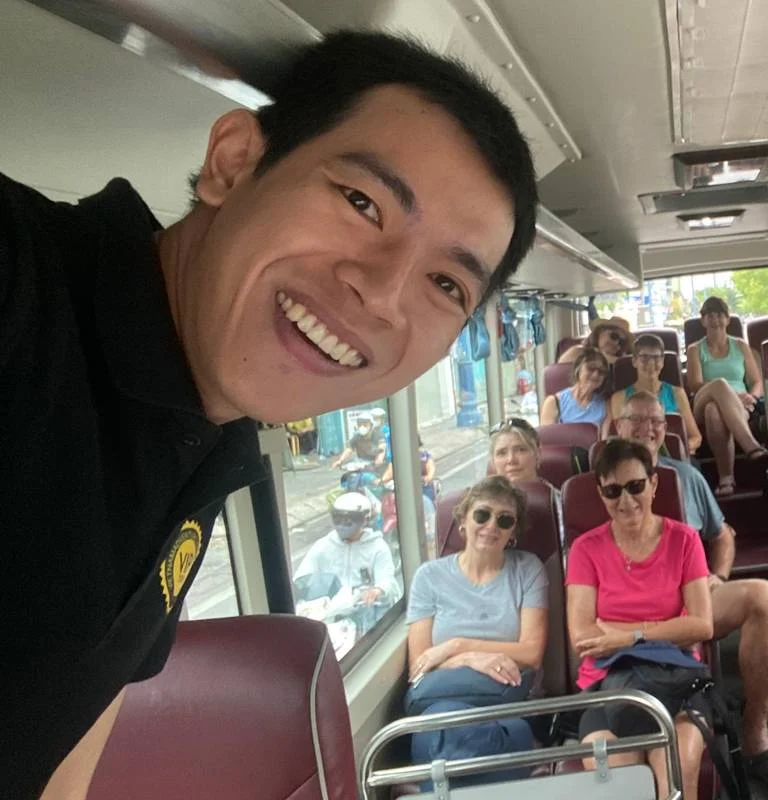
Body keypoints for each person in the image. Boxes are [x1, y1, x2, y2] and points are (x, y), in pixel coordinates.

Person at [1, 29, 540, 796]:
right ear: (233, 162)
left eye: (447, 285)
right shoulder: (23, 290)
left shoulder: (209, 446)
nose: (381, 294)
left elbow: (70, 730)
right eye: (362, 203)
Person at [614, 392, 768, 793]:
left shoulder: (686, 477)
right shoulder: (600, 485)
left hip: (689, 597)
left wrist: (717, 575)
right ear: (619, 426)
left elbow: (722, 536)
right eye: (637, 420)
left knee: (763, 596)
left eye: (656, 421)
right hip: (625, 608)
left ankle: (756, 737)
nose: (648, 429)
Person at [565, 439, 714, 800]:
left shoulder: (685, 540)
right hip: (607, 684)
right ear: (601, 494)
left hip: (677, 680)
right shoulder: (585, 549)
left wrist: (626, 636)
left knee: (677, 769)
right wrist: (668, 629)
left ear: (654, 484)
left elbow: (701, 625)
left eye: (635, 486)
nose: (626, 500)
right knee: (621, 781)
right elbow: (583, 637)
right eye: (613, 491)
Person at [405, 476, 547, 787]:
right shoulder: (428, 577)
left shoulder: (528, 569)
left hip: (505, 705)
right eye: (482, 515)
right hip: (440, 708)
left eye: (504, 520)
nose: (491, 526)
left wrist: (457, 646)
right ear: (463, 520)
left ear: (513, 532)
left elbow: (531, 653)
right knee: (454, 735)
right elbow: (418, 665)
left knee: (445, 758)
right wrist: (468, 658)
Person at [684, 296, 767, 496]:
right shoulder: (695, 349)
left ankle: (726, 479)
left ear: (728, 319)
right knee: (719, 384)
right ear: (703, 320)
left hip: (740, 405)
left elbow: (757, 382)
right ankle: (751, 446)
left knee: (714, 411)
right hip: (703, 400)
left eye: (720, 314)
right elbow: (695, 385)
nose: (715, 319)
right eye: (710, 315)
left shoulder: (740, 346)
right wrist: (732, 394)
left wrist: (752, 397)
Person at [293, 492, 401, 636]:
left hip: (365, 618)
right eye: (338, 519)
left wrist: (377, 590)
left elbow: (387, 580)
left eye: (349, 520)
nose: (342, 525)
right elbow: (302, 577)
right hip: (331, 616)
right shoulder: (323, 546)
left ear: (364, 520)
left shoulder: (378, 548)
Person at [608, 333, 701, 452]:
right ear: (634, 361)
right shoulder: (620, 397)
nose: (651, 363)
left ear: (662, 362)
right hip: (635, 455)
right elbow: (621, 437)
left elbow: (696, 437)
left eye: (656, 358)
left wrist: (682, 449)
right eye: (644, 357)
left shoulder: (677, 393)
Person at [540, 346, 609, 427]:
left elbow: (604, 435)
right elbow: (547, 434)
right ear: (578, 369)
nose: (596, 375)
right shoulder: (553, 402)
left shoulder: (606, 405)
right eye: (591, 368)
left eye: (601, 371)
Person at [559, 315, 633, 365]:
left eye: (621, 343)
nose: (616, 343)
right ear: (600, 331)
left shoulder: (621, 362)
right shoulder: (577, 351)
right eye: (614, 336)